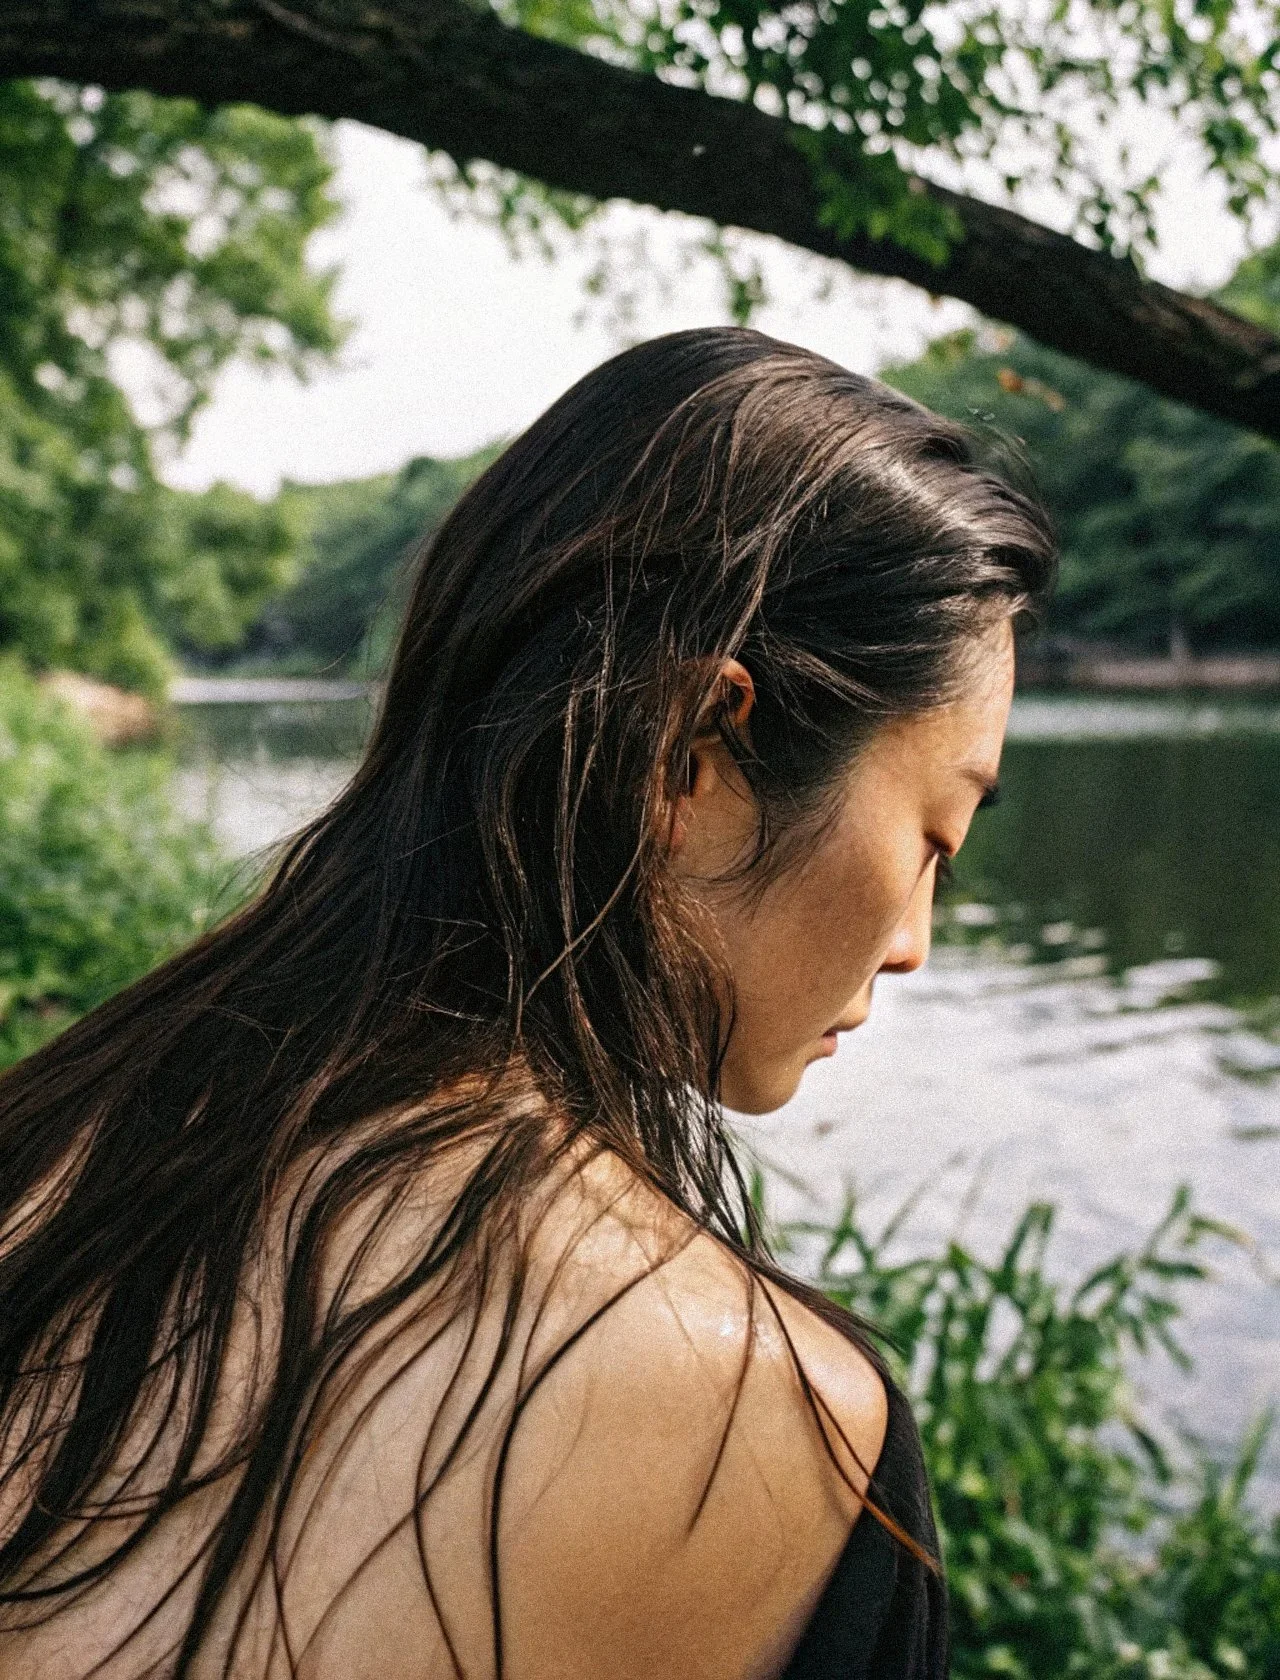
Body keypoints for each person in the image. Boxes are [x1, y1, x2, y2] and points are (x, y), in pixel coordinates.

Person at [0, 327, 1055, 1679]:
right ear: (694, 752)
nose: (913, 942)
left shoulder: (60, 1140)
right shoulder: (764, 1417)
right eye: (936, 839)